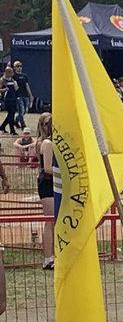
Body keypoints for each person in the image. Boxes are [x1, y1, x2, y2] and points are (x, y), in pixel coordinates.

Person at [35, 113, 55, 269]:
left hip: (49, 182)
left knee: (53, 221)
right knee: (50, 221)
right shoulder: (47, 143)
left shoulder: (41, 142)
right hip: (48, 183)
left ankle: (52, 255)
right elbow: (47, 168)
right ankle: (48, 258)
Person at [12, 61, 33, 128]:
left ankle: (16, 121)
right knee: (21, 110)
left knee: (25, 111)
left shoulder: (24, 76)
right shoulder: (14, 76)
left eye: (20, 66)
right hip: (18, 95)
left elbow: (27, 85)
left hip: (25, 95)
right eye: (17, 66)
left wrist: (30, 95)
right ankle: (22, 124)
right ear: (14, 67)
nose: (19, 68)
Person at [0, 66, 19, 135]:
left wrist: (15, 85)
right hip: (7, 99)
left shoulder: (12, 80)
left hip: (13, 98)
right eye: (11, 72)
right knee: (11, 114)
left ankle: (4, 127)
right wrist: (4, 90)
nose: (12, 74)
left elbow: (16, 89)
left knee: (12, 114)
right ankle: (11, 129)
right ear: (7, 72)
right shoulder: (2, 80)